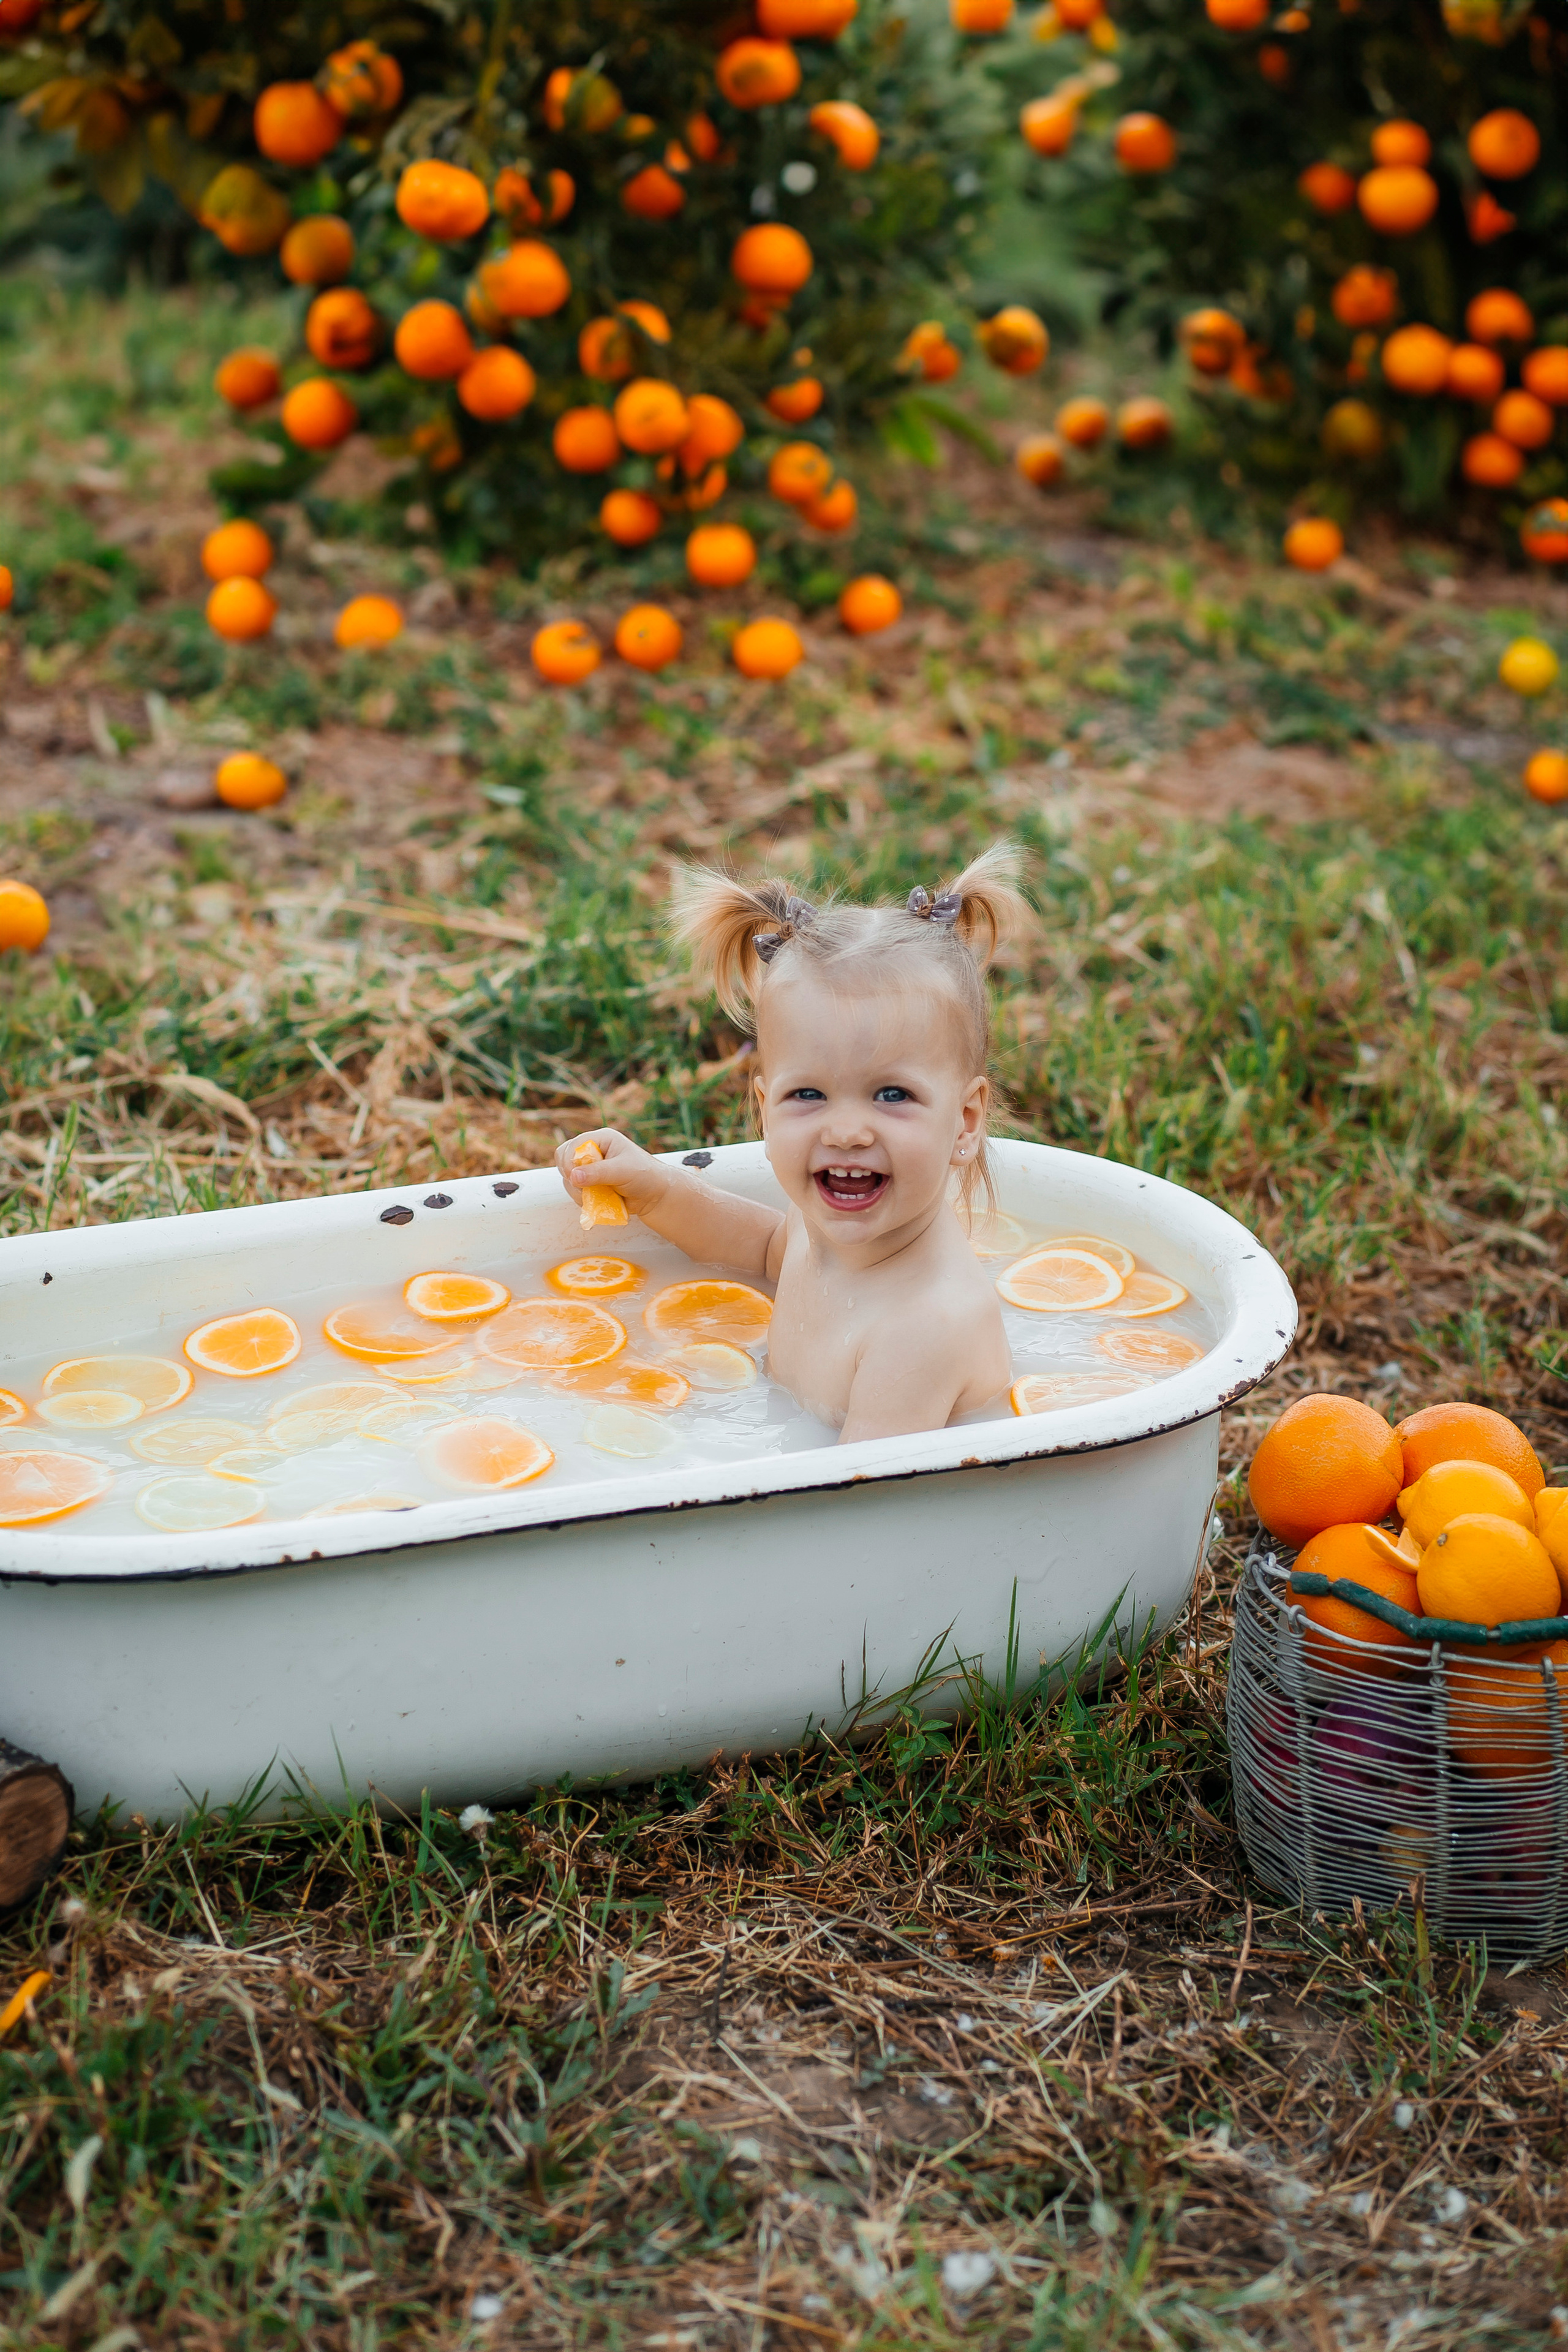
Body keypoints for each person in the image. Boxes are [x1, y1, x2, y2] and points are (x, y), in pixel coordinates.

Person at [556, 845, 1031, 1443]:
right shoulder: (821, 1230)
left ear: (964, 1123)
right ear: (763, 1111)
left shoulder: (925, 1327)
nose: (846, 1132)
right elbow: (761, 1248)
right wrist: (652, 1192)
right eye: (808, 1095)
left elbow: (853, 1508)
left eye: (891, 1095)